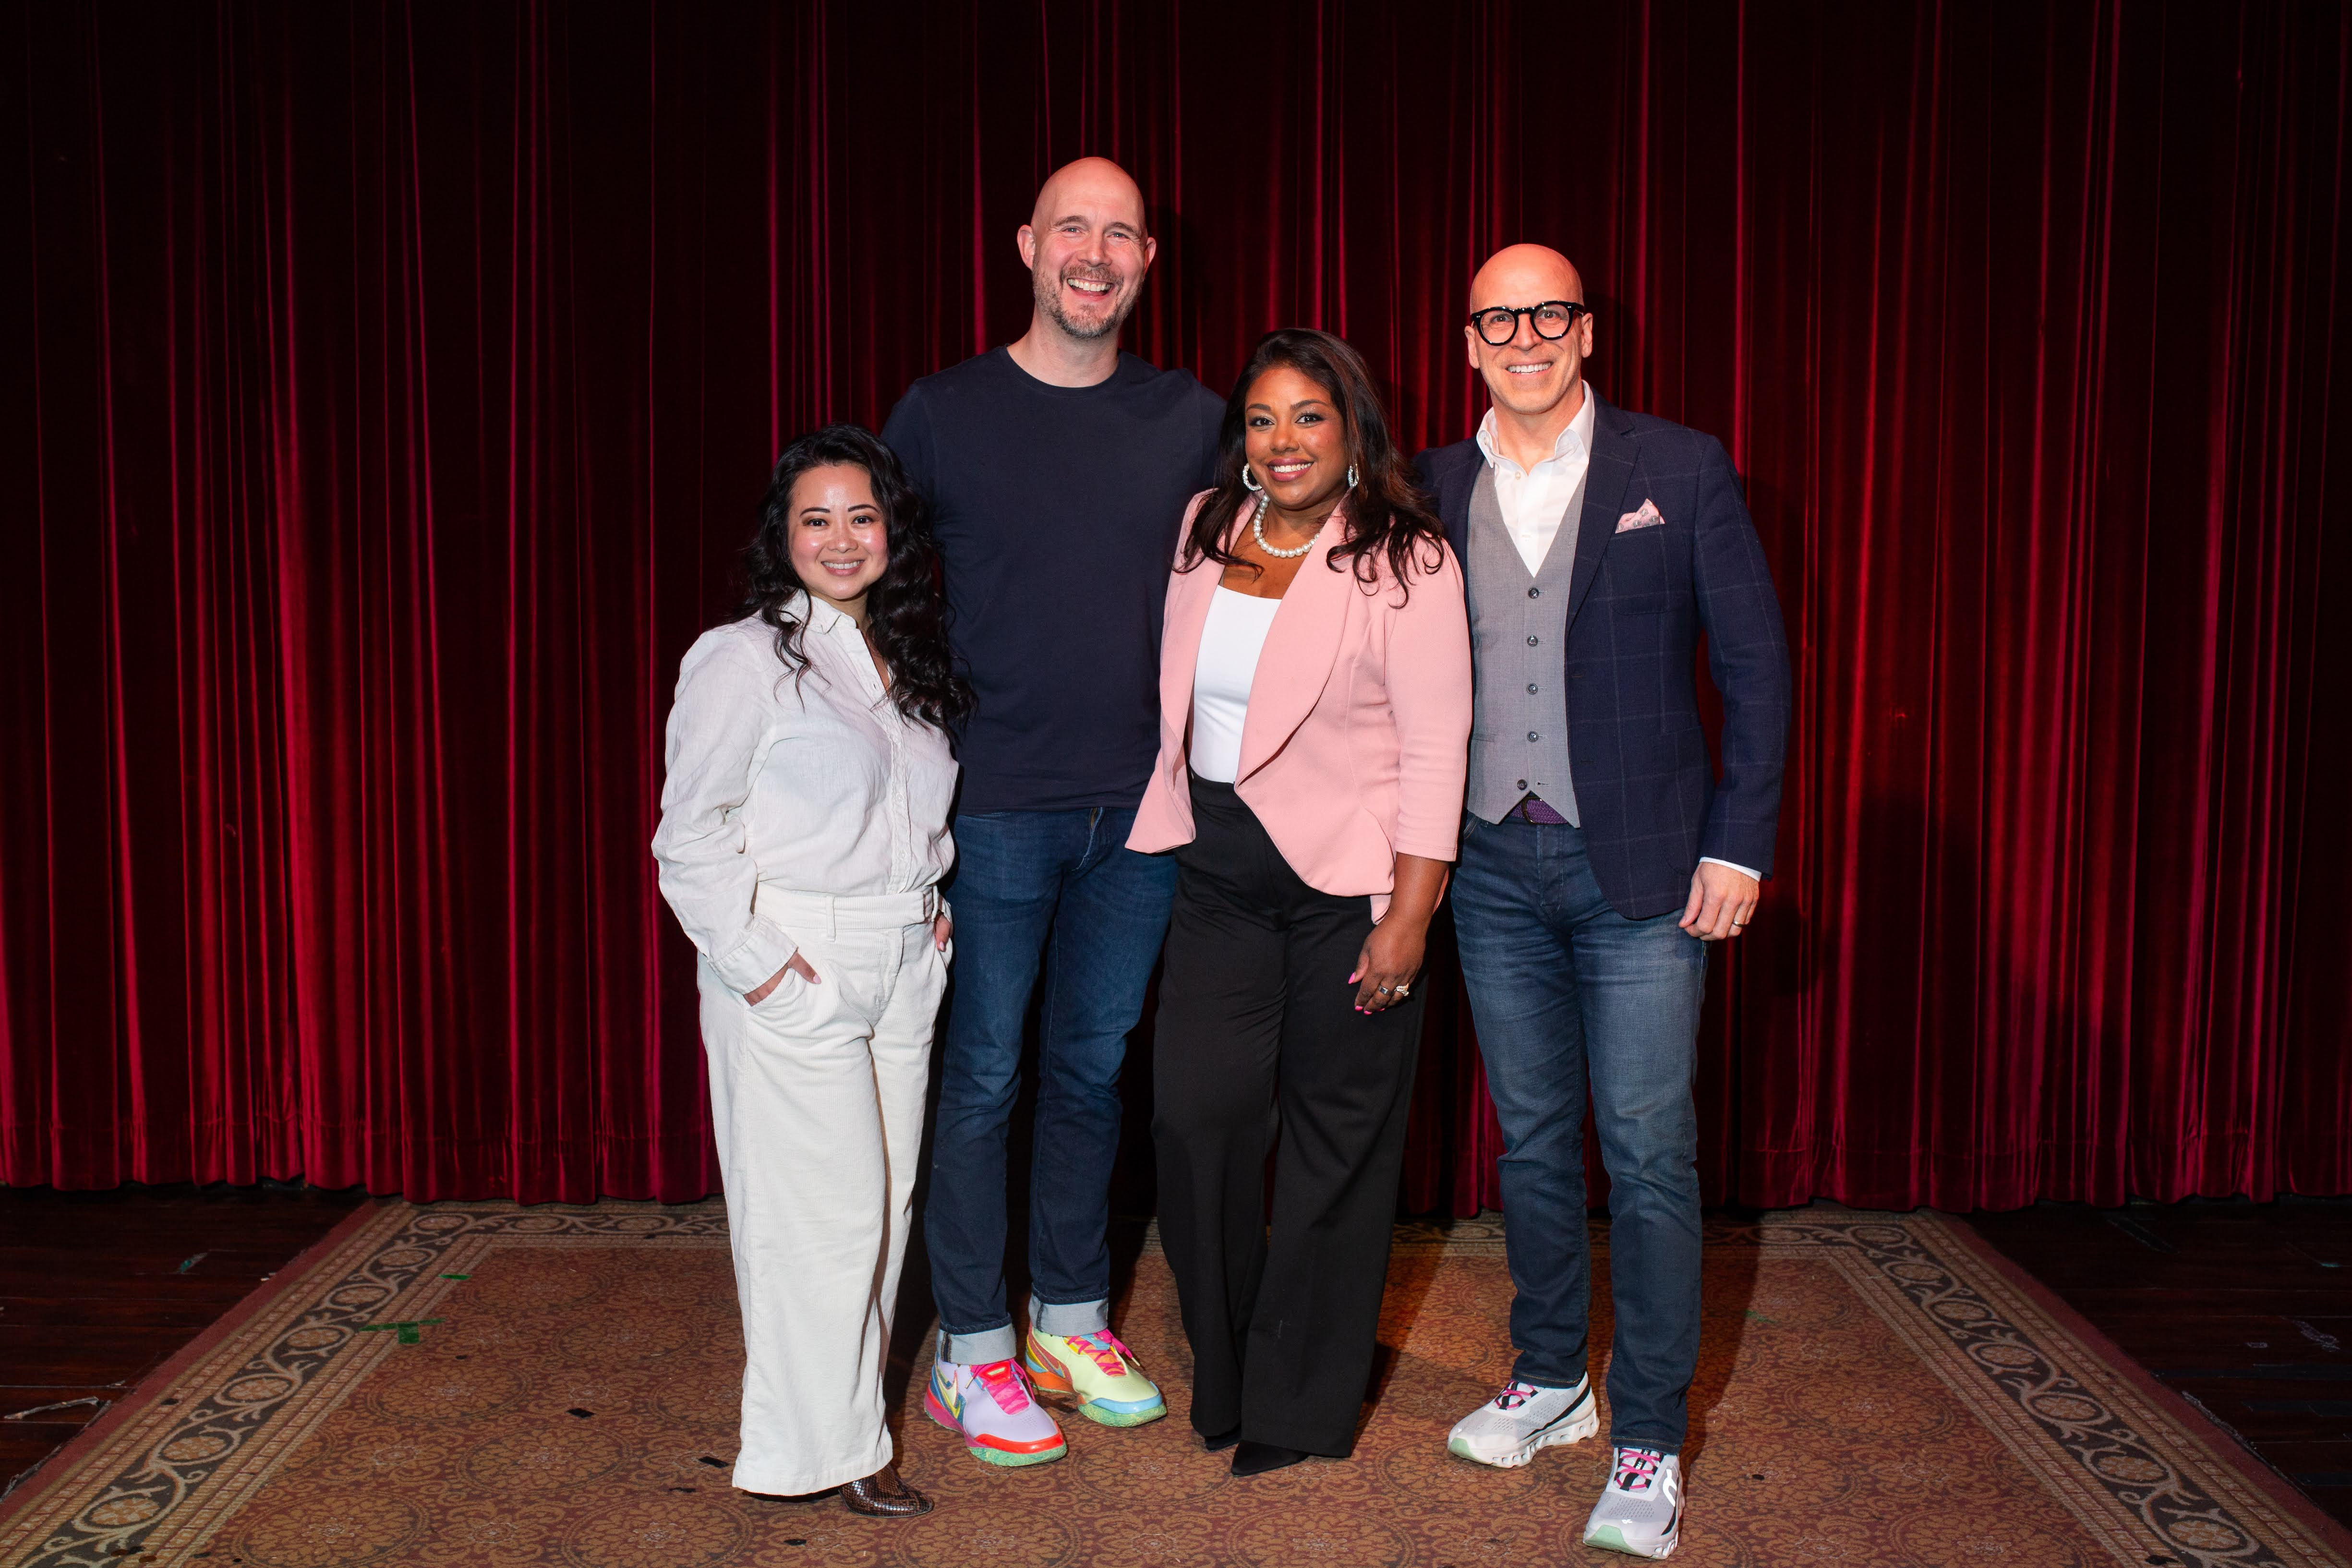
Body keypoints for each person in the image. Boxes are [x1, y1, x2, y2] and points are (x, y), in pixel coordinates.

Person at [1412, 245, 1791, 1559]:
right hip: (1486, 866)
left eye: (1549, 314)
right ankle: (1548, 1375)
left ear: (1585, 331)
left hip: (1641, 872)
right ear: (1468, 342)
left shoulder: (1676, 468)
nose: (1525, 336)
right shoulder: (1429, 484)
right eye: (1498, 319)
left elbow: (1755, 668)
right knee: (1528, 1142)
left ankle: (1647, 1436)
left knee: (1644, 1149)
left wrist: (1737, 847)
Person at [880, 157, 1224, 1468]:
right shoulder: (941, 412)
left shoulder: (1191, 418)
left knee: (1090, 1069)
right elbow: (872, 595)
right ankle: (970, 1347)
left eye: (1118, 233)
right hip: (993, 810)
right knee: (981, 1075)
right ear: (1026, 246)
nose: (1094, 253)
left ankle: (1069, 1316)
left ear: (1146, 261)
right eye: (1071, 228)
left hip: (1137, 814)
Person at [1131, 328, 1472, 1477]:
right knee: (1195, 1119)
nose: (1283, 441)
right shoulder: (1206, 526)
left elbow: (1435, 746)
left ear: (1351, 430)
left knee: (1337, 1147)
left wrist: (1408, 916)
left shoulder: (1406, 557)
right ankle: (1227, 1370)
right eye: (1263, 418)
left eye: (1309, 417)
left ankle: (1298, 1403)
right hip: (1216, 871)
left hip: (1350, 885)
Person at [651, 424, 971, 1518]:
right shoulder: (740, 658)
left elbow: (908, 813)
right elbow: (689, 837)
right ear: (780, 537)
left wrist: (932, 918)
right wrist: (763, 967)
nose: (841, 539)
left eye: (861, 516)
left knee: (884, 1210)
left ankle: (848, 1428)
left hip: (903, 959)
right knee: (817, 1223)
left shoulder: (902, 657)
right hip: (798, 955)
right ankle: (819, 1450)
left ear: (892, 531)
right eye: (816, 518)